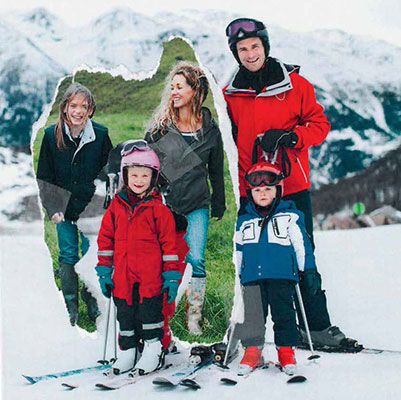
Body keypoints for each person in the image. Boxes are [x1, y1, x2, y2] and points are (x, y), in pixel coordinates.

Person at [223, 18, 358, 349]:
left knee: (301, 254)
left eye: (255, 46)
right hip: (249, 190)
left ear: (265, 46)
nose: (250, 53)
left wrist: (292, 136)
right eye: (242, 49)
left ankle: (316, 327)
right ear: (235, 53)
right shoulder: (229, 94)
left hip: (291, 187)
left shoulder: (295, 85)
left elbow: (319, 124)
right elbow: (225, 140)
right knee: (252, 260)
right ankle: (248, 331)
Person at [145, 61, 226, 335]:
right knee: (164, 262)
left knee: (196, 259)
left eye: (180, 87)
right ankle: (161, 318)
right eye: (172, 87)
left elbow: (215, 170)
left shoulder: (210, 130)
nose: (174, 92)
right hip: (165, 205)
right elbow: (146, 169)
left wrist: (219, 202)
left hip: (197, 204)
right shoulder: (159, 129)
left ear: (195, 91)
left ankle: (194, 318)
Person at [95, 141, 182, 375]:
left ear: (153, 178)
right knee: (125, 313)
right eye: (134, 175)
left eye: (145, 175)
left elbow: (169, 246)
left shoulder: (158, 209)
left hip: (150, 275)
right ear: (125, 176)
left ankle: (153, 349)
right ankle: (128, 351)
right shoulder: (116, 207)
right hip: (123, 274)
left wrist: (171, 276)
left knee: (149, 313)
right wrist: (104, 271)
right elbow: (105, 240)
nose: (139, 180)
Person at [36, 82, 113, 326]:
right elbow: (44, 176)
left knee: (91, 255)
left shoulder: (100, 134)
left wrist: (103, 202)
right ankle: (70, 307)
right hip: (64, 209)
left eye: (84, 106)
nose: (78, 111)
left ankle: (92, 302)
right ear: (65, 108)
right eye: (73, 106)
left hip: (92, 209)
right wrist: (52, 208)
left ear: (90, 110)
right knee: (67, 254)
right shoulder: (51, 135)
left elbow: (109, 172)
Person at [235, 162, 316, 375]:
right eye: (257, 190)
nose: (263, 194)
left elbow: (301, 245)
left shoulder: (290, 216)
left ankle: (286, 351)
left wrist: (308, 270)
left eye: (268, 189)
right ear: (250, 193)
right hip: (252, 277)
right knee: (253, 317)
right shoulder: (243, 221)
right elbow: (237, 249)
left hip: (281, 275)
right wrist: (235, 274)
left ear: (278, 190)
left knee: (284, 315)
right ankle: (252, 351)